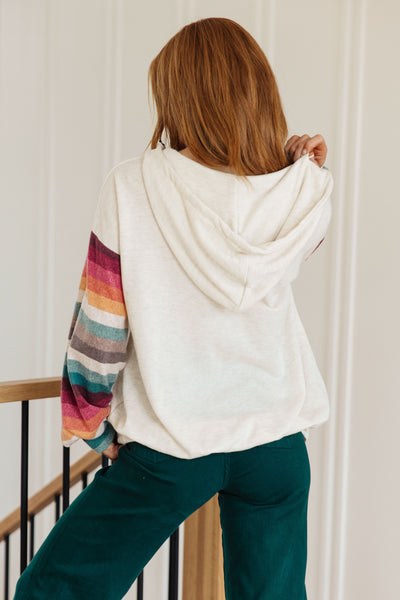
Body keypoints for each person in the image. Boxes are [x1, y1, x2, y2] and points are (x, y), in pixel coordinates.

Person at [14, 16, 333, 600]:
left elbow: (102, 322)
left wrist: (92, 421)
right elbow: (296, 241)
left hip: (174, 441)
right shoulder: (295, 190)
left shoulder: (133, 185)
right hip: (277, 440)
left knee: (52, 590)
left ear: (179, 98)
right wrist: (300, 169)